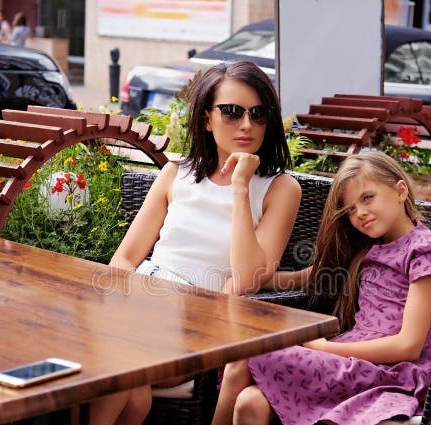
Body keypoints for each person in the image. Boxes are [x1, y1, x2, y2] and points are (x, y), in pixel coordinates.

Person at [138, 151, 431, 425]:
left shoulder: (426, 252)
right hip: (352, 358)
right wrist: (257, 277)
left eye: (367, 198)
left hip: (389, 371)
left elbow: (408, 344)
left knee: (246, 353)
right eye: (351, 209)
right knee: (250, 405)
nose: (360, 214)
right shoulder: (369, 249)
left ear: (401, 189)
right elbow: (309, 279)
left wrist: (325, 348)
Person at [109, 60, 301, 296]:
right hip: (148, 292)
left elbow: (247, 281)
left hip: (202, 312)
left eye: (259, 113)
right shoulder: (175, 173)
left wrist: (240, 187)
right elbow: (124, 259)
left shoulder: (280, 189)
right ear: (207, 119)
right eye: (232, 112)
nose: (247, 125)